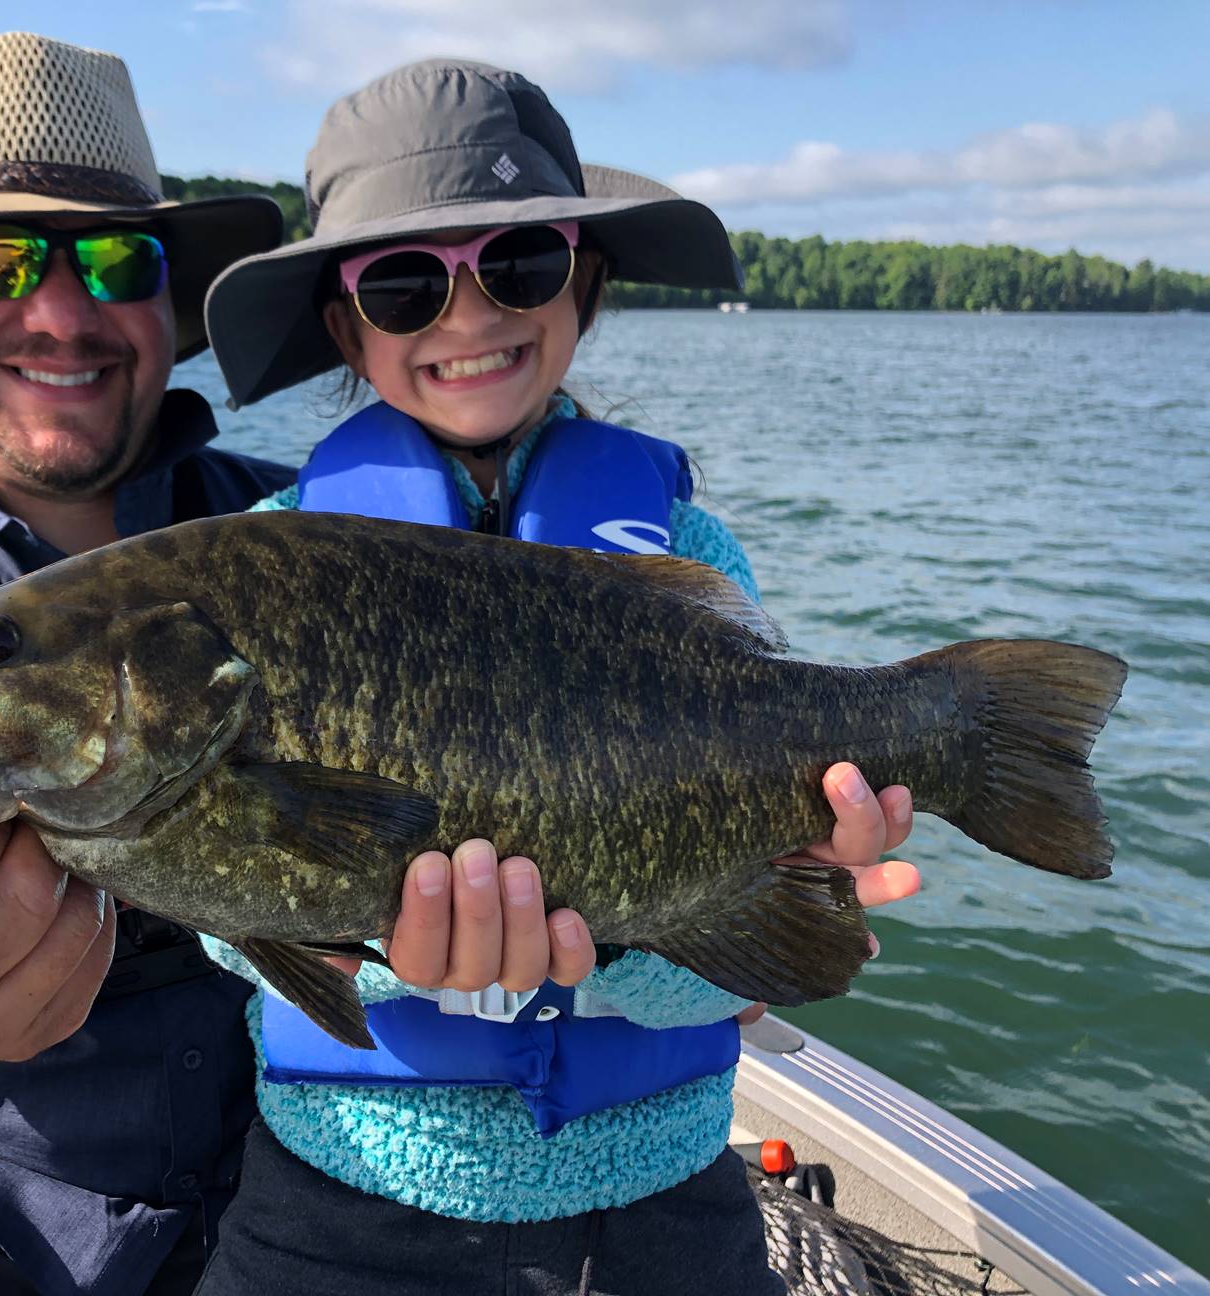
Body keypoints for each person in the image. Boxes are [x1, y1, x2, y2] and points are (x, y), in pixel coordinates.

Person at [0, 33, 637, 1296]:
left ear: (169, 306)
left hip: (338, 1174)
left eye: (115, 259)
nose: (62, 312)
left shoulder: (319, 540)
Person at [191, 59, 920, 1295]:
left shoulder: (680, 552)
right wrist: (366, 942)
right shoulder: (259, 562)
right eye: (407, 285)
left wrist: (628, 946)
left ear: (582, 282)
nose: (468, 319)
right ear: (344, 325)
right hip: (339, 1204)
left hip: (666, 1200)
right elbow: (220, 914)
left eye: (518, 265)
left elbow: (753, 910)